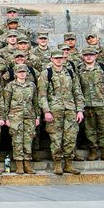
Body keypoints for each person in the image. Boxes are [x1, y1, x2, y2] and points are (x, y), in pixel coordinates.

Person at [39, 47, 84, 175]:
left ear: (64, 59)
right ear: (51, 59)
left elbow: (77, 92)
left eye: (61, 58)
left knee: (71, 137)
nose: (59, 60)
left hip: (70, 109)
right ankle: (57, 163)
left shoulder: (70, 73)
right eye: (56, 58)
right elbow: (42, 95)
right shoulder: (46, 73)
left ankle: (69, 164)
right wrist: (46, 111)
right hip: (54, 110)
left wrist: (80, 110)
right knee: (56, 138)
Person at [77, 46, 104, 161]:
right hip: (87, 105)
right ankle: (93, 150)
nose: (89, 57)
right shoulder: (79, 69)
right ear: (83, 57)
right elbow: (77, 88)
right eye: (86, 55)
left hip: (102, 104)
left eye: (91, 55)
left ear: (95, 56)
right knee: (89, 130)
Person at [1, 59, 39, 173]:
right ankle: (19, 164)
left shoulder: (31, 86)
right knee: (17, 141)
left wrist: (37, 117)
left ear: (27, 73)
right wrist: (5, 117)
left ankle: (27, 163)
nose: (22, 74)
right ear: (16, 73)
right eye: (20, 72)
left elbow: (35, 102)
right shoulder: (10, 86)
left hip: (29, 116)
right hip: (15, 117)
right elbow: (6, 103)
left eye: (24, 72)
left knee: (28, 140)